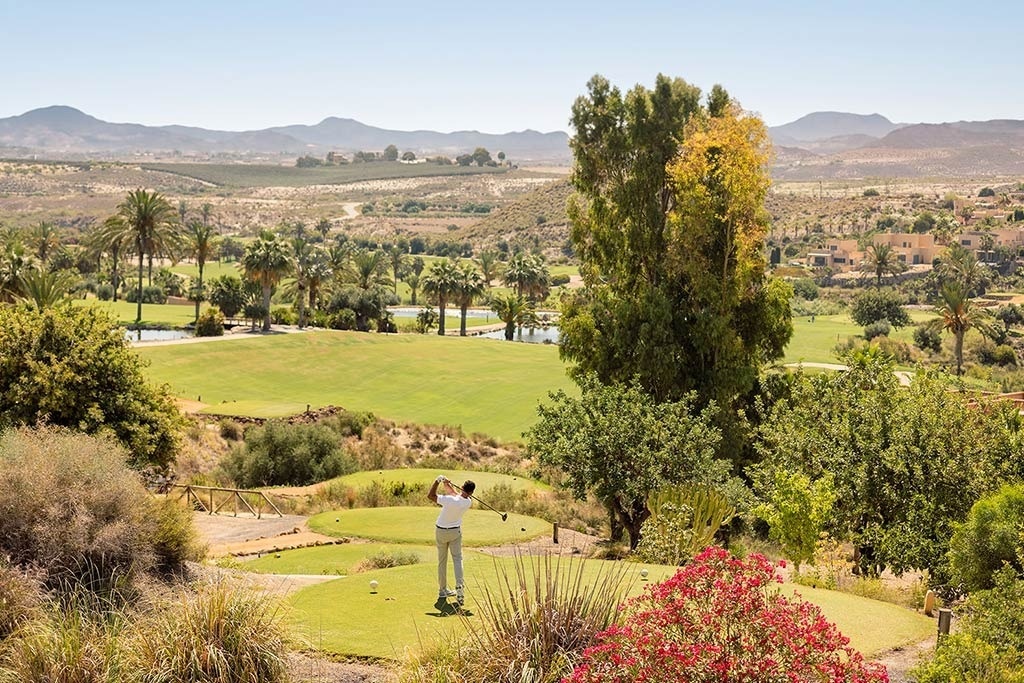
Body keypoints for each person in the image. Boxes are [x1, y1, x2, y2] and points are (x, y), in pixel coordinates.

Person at [428, 474, 474, 604]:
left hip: (441, 531)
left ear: (463, 488)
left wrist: (437, 481)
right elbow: (455, 494)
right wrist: (447, 484)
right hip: (455, 532)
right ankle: (459, 588)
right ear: (471, 492)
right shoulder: (468, 502)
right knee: (457, 560)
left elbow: (431, 496)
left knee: (442, 561)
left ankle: (443, 591)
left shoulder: (450, 500)